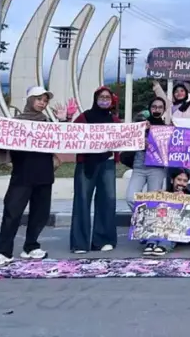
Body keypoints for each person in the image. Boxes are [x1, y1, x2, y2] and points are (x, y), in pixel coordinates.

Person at [0, 87, 69, 267]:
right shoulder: (15, 123)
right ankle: (3, 251)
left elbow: (65, 138)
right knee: (12, 213)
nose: (42, 103)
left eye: (45, 100)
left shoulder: (48, 123)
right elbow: (1, 145)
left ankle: (31, 246)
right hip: (22, 175)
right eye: (39, 99)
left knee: (40, 214)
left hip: (44, 175)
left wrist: (63, 120)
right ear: (30, 100)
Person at [70, 86, 120, 254]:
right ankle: (80, 243)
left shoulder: (114, 120)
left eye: (107, 97)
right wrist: (66, 119)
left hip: (107, 163)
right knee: (82, 201)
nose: (105, 100)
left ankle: (103, 240)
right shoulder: (84, 117)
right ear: (95, 99)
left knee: (108, 200)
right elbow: (70, 135)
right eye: (101, 97)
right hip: (86, 163)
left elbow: (125, 138)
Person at [125, 98, 169, 210]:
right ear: (149, 108)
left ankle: (147, 224)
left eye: (160, 107)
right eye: (154, 106)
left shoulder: (167, 128)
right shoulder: (140, 124)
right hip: (140, 165)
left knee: (153, 201)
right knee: (131, 197)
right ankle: (141, 218)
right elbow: (128, 138)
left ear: (164, 110)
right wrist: (141, 135)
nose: (157, 109)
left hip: (157, 167)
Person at [142, 167, 190, 256]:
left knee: (169, 233)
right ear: (172, 180)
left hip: (179, 229)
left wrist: (183, 201)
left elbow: (189, 217)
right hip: (162, 226)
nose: (181, 183)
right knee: (156, 226)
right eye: (179, 179)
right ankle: (151, 243)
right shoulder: (165, 193)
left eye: (185, 181)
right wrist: (157, 198)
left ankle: (164, 245)